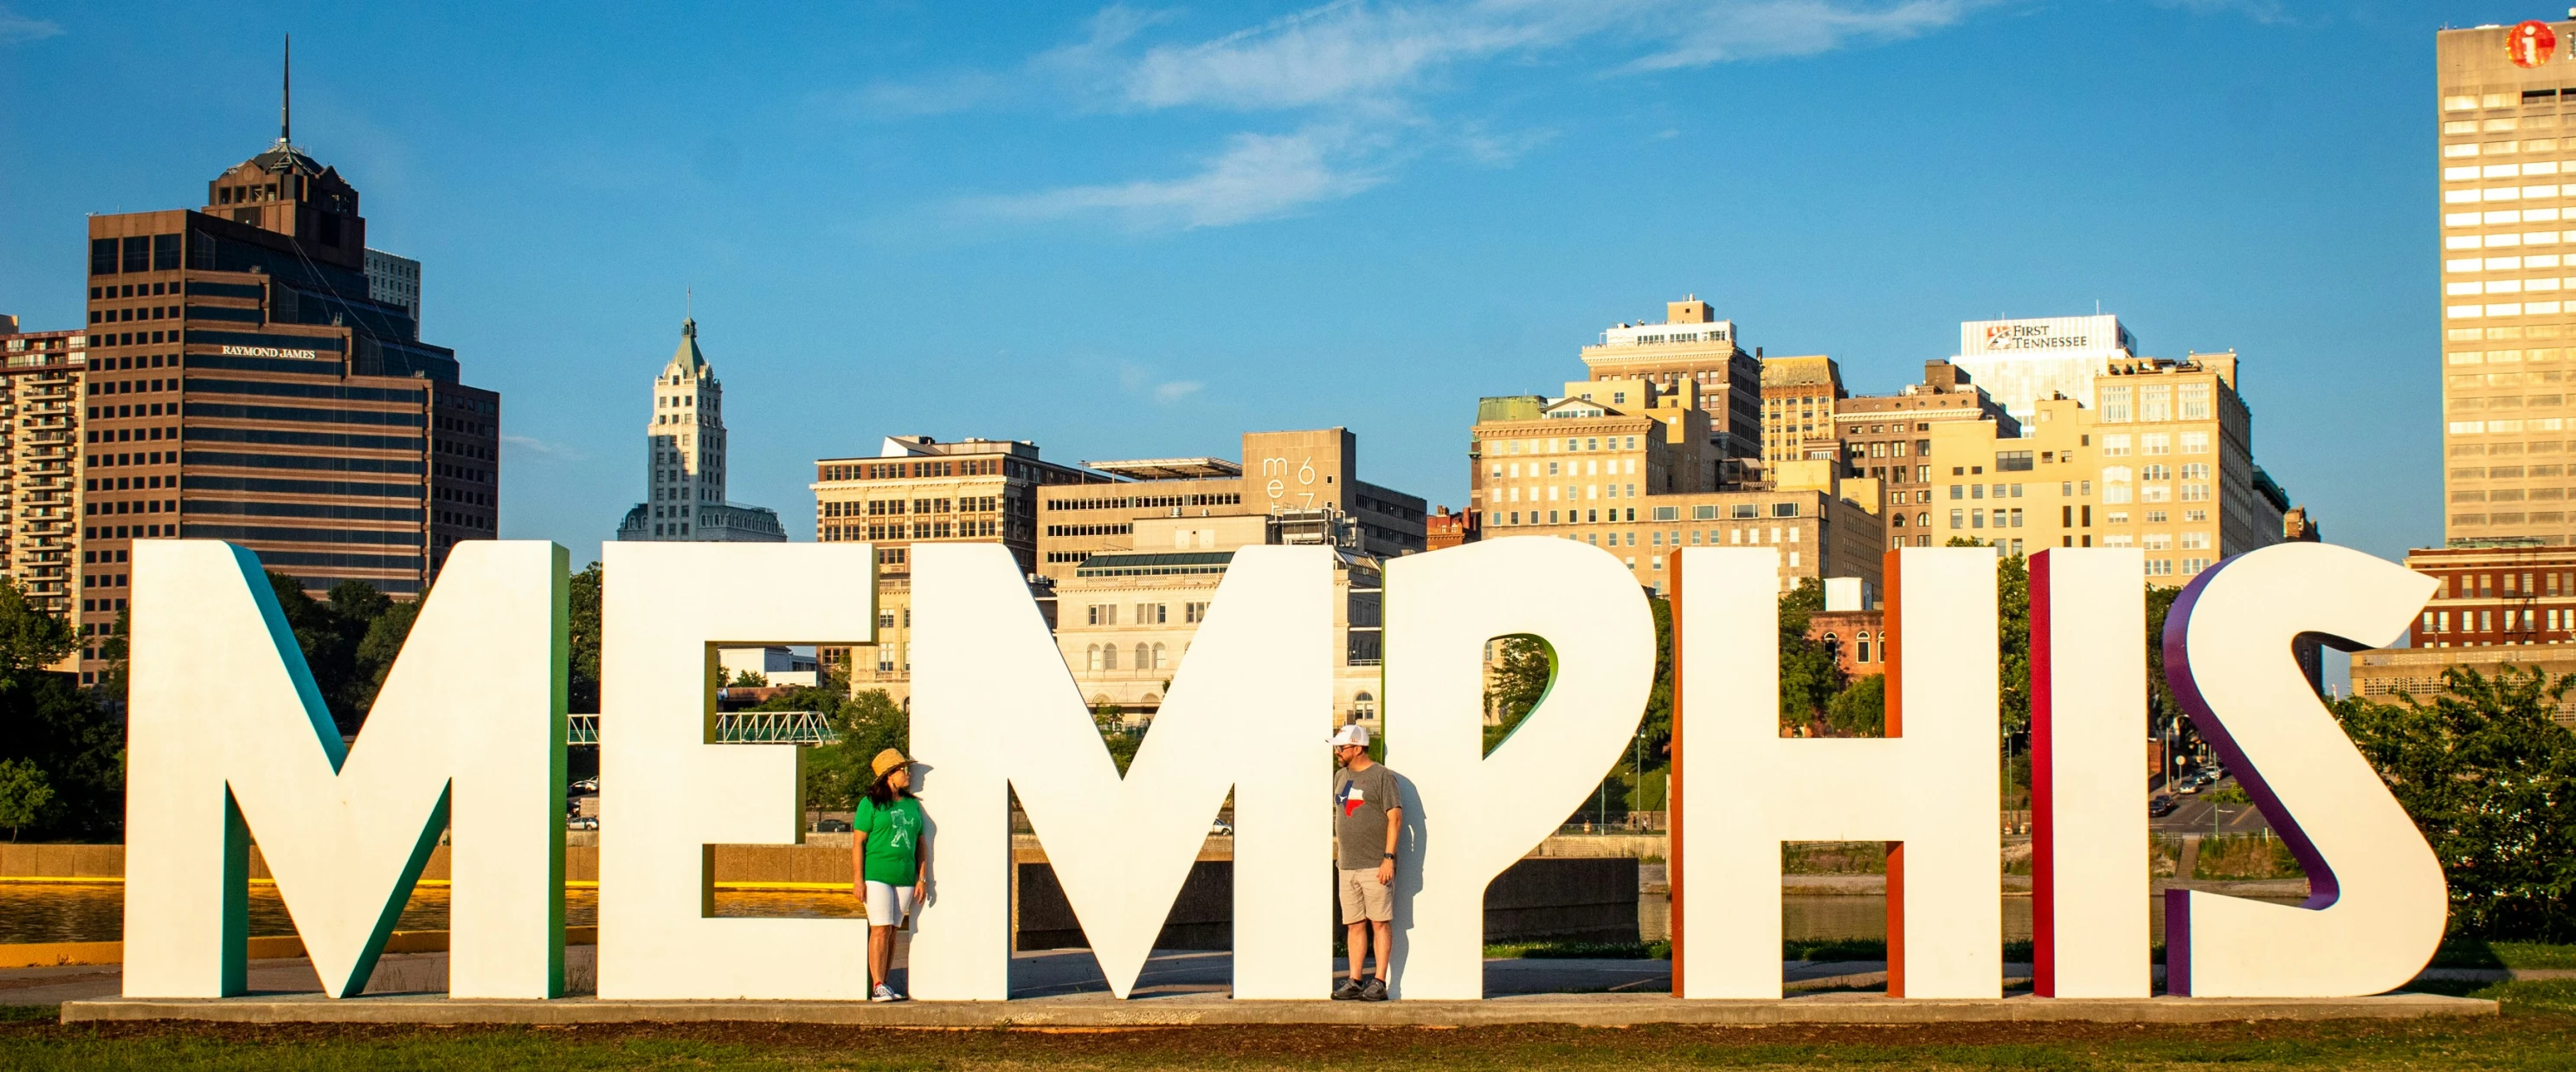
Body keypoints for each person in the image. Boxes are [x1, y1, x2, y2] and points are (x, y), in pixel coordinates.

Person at [1330, 723, 1400, 1001]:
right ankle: (1355, 980)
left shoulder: (1382, 777)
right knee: (1354, 924)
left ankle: (1380, 980)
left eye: (1342, 747)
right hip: (1346, 865)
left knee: (1380, 922)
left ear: (1357, 748)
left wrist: (1388, 858)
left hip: (1375, 864)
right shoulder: (1339, 776)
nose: (1337, 751)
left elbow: (1395, 818)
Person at [853, 747, 928, 1003]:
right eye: (901, 770)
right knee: (880, 928)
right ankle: (877, 984)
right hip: (877, 875)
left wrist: (921, 878)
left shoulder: (911, 804)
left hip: (905, 876)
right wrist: (858, 880)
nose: (907, 774)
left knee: (893, 930)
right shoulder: (871, 804)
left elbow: (921, 843)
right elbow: (858, 843)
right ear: (888, 776)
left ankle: (884, 983)